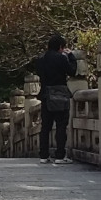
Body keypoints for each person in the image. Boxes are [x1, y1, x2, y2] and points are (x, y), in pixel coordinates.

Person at [36, 34, 77, 164]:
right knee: (60, 125)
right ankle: (60, 156)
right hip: (60, 95)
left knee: (45, 127)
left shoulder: (41, 60)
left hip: (46, 95)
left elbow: (39, 73)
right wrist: (71, 56)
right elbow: (72, 71)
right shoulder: (61, 58)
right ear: (60, 47)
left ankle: (43, 155)